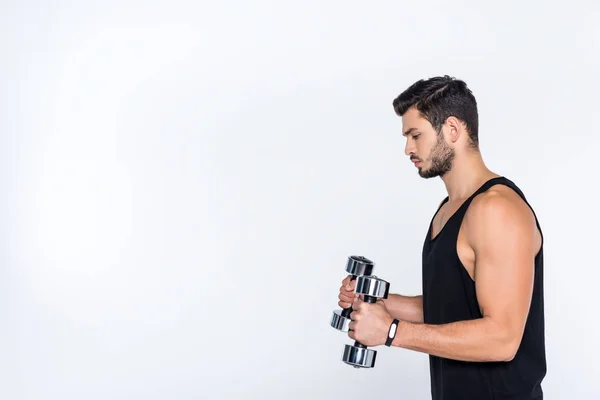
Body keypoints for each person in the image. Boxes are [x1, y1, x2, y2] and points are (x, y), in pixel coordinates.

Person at [338, 75, 546, 399]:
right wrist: (379, 303)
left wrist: (391, 332)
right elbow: (453, 310)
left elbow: (503, 339)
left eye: (415, 135)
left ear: (452, 129)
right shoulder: (447, 211)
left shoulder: (497, 210)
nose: (408, 148)